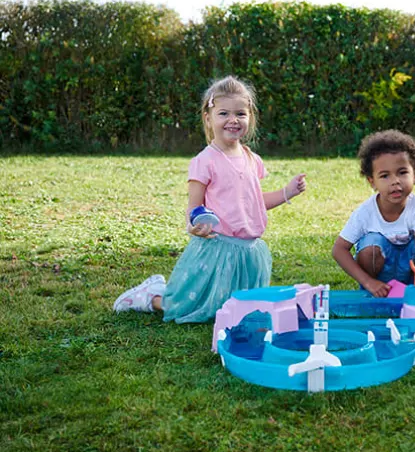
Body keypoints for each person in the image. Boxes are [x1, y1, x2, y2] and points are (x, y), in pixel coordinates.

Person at [113, 75, 306, 321]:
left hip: (248, 253)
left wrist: (287, 192)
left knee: (236, 312)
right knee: (186, 308)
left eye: (240, 114)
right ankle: (150, 296)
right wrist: (194, 226)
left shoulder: (251, 159)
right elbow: (194, 207)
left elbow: (255, 202)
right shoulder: (205, 161)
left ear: (250, 117)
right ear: (208, 118)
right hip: (217, 250)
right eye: (223, 113)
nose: (233, 120)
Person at [332, 130, 415, 299]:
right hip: (377, 278)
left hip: (409, 269)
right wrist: (368, 282)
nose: (395, 181)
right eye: (384, 176)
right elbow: (339, 249)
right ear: (372, 182)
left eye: (402, 172)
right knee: (370, 247)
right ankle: (375, 291)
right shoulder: (365, 212)